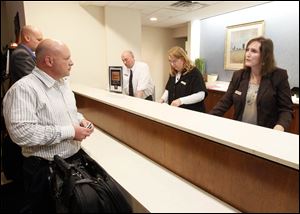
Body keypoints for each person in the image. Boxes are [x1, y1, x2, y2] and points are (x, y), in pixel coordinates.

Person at [3, 39, 94, 212]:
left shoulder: (63, 84)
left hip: (71, 163)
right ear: (49, 61)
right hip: (44, 171)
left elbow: (69, 112)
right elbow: (22, 133)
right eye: (67, 58)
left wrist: (80, 120)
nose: (72, 62)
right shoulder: (23, 89)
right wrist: (70, 131)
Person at [210, 37, 293, 131]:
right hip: (240, 129)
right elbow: (225, 102)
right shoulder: (239, 75)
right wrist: (209, 118)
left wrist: (279, 127)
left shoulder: (278, 76)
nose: (247, 54)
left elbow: (286, 110)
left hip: (266, 132)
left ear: (265, 56)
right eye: (247, 50)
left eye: (253, 51)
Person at [159, 46, 208, 112]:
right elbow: (168, 89)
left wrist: (180, 101)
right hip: (176, 112)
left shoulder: (194, 73)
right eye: (170, 61)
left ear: (183, 59)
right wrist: (162, 99)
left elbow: (201, 95)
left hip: (192, 112)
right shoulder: (173, 73)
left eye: (174, 61)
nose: (172, 64)